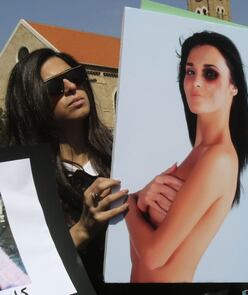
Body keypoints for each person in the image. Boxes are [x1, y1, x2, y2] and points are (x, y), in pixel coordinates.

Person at [5, 48, 183, 293]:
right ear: (30, 102)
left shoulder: (125, 156)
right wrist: (81, 230)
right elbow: (15, 274)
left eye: (76, 76)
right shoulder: (22, 184)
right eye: (55, 86)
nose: (71, 86)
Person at [125, 30, 248, 282]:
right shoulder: (199, 155)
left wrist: (127, 204)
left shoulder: (219, 160)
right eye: (190, 71)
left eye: (210, 74)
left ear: (233, 86)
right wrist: (141, 201)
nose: (195, 82)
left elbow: (153, 256)